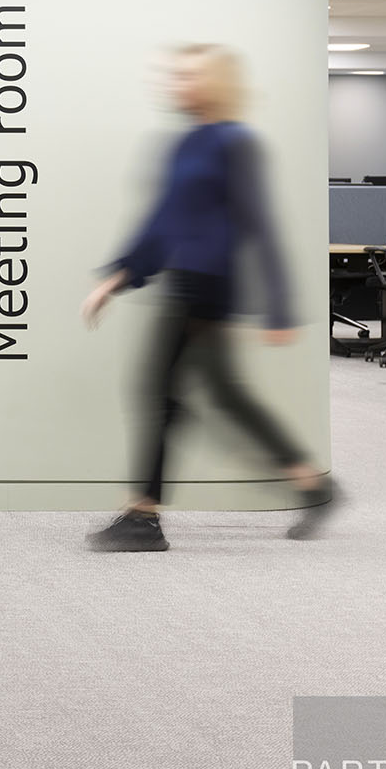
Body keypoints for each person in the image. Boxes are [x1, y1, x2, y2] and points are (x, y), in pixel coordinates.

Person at [80, 43, 339, 551]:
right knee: (222, 394)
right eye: (175, 75)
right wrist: (120, 276)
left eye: (188, 76)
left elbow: (261, 224)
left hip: (211, 284)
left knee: (157, 392)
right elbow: (162, 222)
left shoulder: (235, 142)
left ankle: (143, 516)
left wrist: (280, 308)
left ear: (215, 83)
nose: (176, 84)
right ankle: (310, 480)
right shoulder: (185, 144)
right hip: (185, 279)